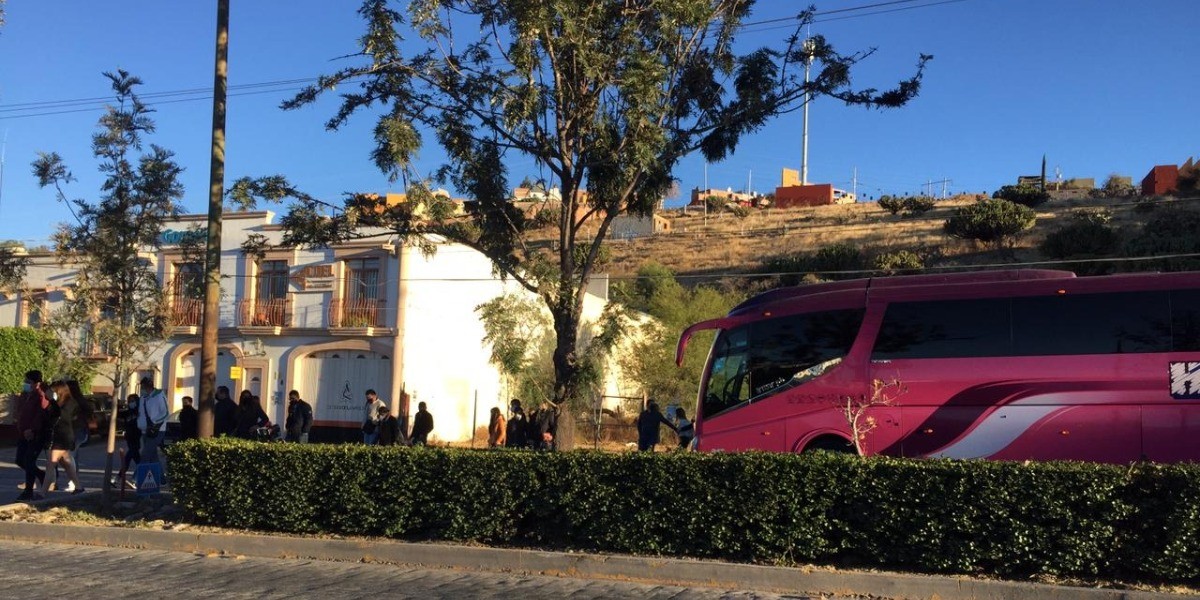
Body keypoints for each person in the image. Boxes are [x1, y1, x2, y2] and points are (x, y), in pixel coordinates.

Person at [42, 380, 85, 495]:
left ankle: (42, 492)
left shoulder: (70, 402)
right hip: (56, 435)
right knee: (66, 463)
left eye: (53, 391)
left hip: (63, 436)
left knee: (51, 463)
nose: (51, 393)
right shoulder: (56, 402)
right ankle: (79, 487)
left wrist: (52, 400)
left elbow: (63, 415)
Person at [14, 370, 49, 501]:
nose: (25, 384)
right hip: (22, 433)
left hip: (35, 435)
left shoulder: (41, 396)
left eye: (28, 382)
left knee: (29, 461)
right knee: (19, 460)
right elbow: (21, 412)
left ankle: (28, 491)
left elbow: (40, 415)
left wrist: (32, 430)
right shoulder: (25, 395)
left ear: (37, 383)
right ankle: (42, 475)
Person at [137, 377, 169, 465]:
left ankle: (138, 477)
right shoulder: (143, 398)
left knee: (145, 455)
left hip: (156, 430)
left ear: (148, 387)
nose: (142, 389)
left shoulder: (159, 395)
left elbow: (165, 413)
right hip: (145, 430)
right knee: (153, 457)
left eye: (143, 387)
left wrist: (154, 422)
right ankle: (160, 478)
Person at [116, 393, 141, 489]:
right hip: (129, 438)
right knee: (136, 459)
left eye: (133, 401)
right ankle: (134, 479)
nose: (131, 403)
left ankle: (119, 477)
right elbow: (118, 414)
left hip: (138, 438)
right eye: (129, 401)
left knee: (129, 457)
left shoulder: (139, 412)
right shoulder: (128, 413)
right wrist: (117, 404)